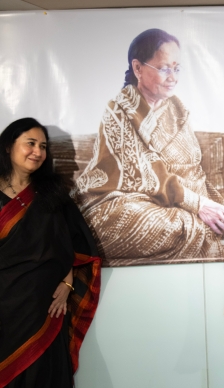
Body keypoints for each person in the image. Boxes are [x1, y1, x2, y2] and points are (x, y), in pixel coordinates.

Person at [74, 28, 224, 266]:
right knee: (150, 223)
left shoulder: (177, 110)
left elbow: (192, 167)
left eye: (176, 68)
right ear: (138, 68)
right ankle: (199, 230)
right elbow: (139, 171)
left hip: (181, 202)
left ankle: (200, 227)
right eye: (164, 68)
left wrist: (202, 202)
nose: (173, 77)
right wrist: (197, 204)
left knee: (186, 222)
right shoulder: (118, 110)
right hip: (125, 199)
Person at [0, 118, 101, 388]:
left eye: (43, 146)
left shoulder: (51, 194)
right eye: (30, 143)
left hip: (46, 307)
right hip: (5, 309)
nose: (38, 152)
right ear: (9, 146)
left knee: (46, 374)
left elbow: (74, 245)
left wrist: (67, 284)